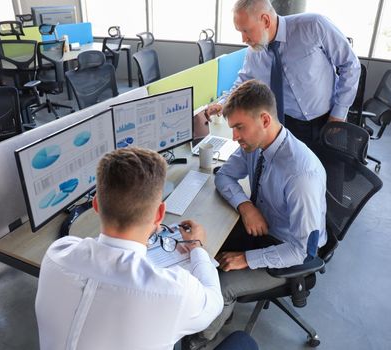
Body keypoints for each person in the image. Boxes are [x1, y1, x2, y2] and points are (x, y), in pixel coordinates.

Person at [182, 80, 327, 349]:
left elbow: (301, 251)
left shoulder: (301, 175)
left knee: (222, 286)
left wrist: (247, 259)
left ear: (264, 119)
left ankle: (198, 340)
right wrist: (245, 207)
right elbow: (224, 175)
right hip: (263, 228)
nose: (234, 136)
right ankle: (217, 315)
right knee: (203, 246)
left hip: (289, 252)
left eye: (239, 127)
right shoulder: (257, 145)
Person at [35, 147, 223, 350]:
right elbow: (214, 300)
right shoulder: (175, 291)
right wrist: (196, 246)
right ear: (160, 214)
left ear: (96, 205)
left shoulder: (57, 253)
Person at [207, 0, 360, 151]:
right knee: (292, 173)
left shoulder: (313, 25)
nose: (243, 39)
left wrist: (338, 114)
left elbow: (350, 64)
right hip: (288, 126)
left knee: (333, 172)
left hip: (329, 120)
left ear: (265, 20)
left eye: (246, 31)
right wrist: (223, 103)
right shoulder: (254, 52)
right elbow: (244, 81)